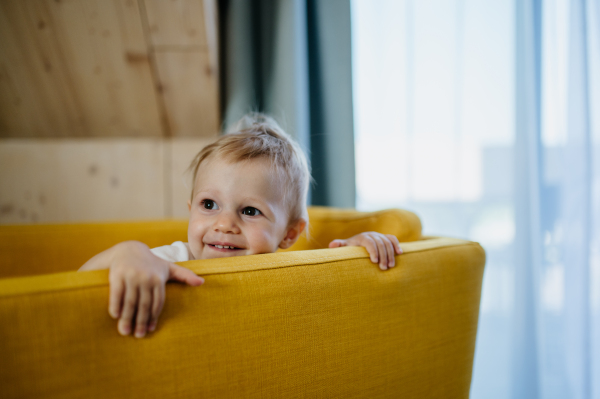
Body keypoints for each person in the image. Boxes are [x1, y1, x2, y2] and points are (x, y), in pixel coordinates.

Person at [79, 113, 402, 338]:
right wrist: (129, 253)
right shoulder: (174, 261)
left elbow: (337, 279)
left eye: (249, 210)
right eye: (209, 205)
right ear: (191, 210)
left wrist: (360, 250)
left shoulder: (286, 267)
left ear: (290, 234)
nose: (224, 223)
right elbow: (78, 282)